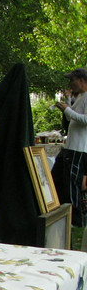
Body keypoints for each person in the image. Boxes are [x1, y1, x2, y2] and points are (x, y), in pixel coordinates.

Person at [52, 68, 87, 227]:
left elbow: (85, 120)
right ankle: (58, 215)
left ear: (81, 80)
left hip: (79, 150)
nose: (70, 84)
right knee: (58, 180)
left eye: (71, 80)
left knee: (73, 185)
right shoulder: (80, 97)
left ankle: (76, 222)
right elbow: (72, 119)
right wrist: (68, 103)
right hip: (70, 148)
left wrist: (67, 109)